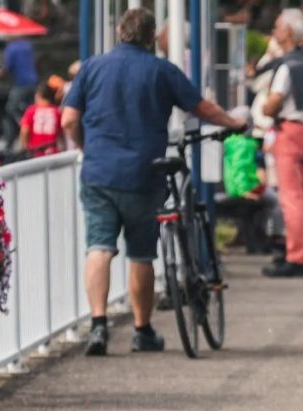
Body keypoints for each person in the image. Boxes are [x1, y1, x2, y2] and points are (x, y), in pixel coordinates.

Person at [61, 8, 246, 356]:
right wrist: (233, 123)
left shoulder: (91, 67)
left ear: (119, 32)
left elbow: (69, 120)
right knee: (141, 254)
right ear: (151, 38)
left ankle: (98, 327)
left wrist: (88, 146)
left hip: (99, 172)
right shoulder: (161, 70)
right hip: (143, 175)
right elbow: (202, 108)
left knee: (99, 247)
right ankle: (142, 330)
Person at [261, 8, 303, 277]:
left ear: (287, 32)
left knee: (291, 198)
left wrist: (265, 108)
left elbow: (273, 103)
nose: (274, 31)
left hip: (289, 131)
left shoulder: (287, 66)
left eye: (277, 26)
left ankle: (296, 256)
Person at [0, 38, 39, 150]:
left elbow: (7, 68)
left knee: (10, 108)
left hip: (21, 83)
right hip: (33, 82)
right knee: (31, 109)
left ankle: (24, 125)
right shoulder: (27, 45)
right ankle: (32, 132)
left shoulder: (11, 48)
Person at [19, 83, 62, 156]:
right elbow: (61, 135)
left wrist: (23, 148)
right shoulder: (57, 111)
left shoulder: (31, 110)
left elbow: (25, 130)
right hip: (53, 153)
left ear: (38, 95)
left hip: (35, 153)